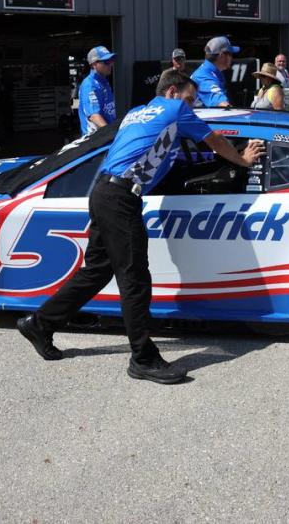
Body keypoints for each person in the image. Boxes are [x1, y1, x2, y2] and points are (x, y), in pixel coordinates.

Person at [17, 69, 265, 384]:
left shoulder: (136, 113)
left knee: (96, 271)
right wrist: (242, 159)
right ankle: (143, 358)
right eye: (190, 98)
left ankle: (40, 324)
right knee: (134, 278)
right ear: (173, 92)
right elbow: (214, 141)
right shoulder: (175, 109)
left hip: (104, 192)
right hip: (121, 198)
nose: (192, 106)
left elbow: (153, 153)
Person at [78, 45, 117, 136]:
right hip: (95, 140)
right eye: (106, 61)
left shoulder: (104, 81)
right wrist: (112, 135)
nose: (111, 64)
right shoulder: (90, 85)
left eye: (111, 61)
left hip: (105, 135)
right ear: (94, 64)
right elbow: (94, 116)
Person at [191, 36, 237, 107]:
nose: (232, 57)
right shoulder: (203, 76)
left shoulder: (214, 72)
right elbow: (222, 104)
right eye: (230, 54)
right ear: (221, 55)